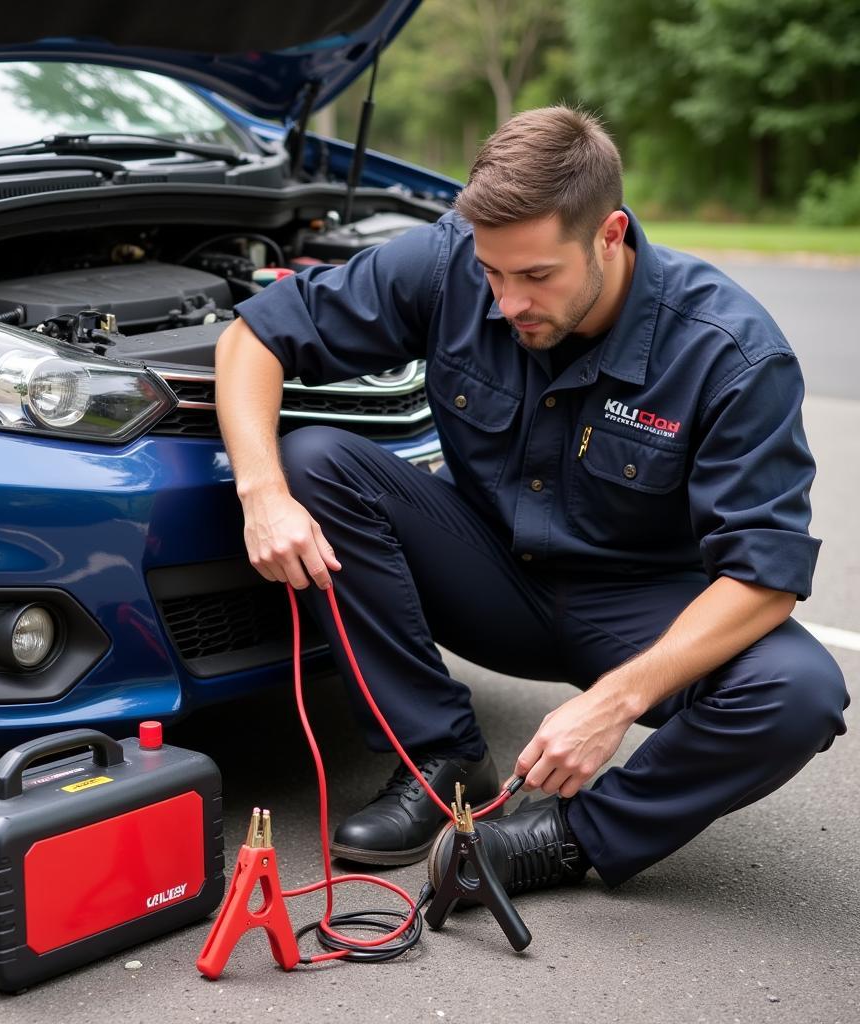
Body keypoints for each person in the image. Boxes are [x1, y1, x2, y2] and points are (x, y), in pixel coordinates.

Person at [214, 106, 849, 892]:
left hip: (641, 613)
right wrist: (262, 493)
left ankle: (561, 837)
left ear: (609, 235)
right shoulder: (451, 261)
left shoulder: (731, 352)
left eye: (538, 275)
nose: (508, 301)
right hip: (489, 576)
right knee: (313, 460)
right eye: (493, 272)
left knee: (802, 693)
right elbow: (253, 338)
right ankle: (438, 758)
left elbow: (765, 578)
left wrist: (615, 702)